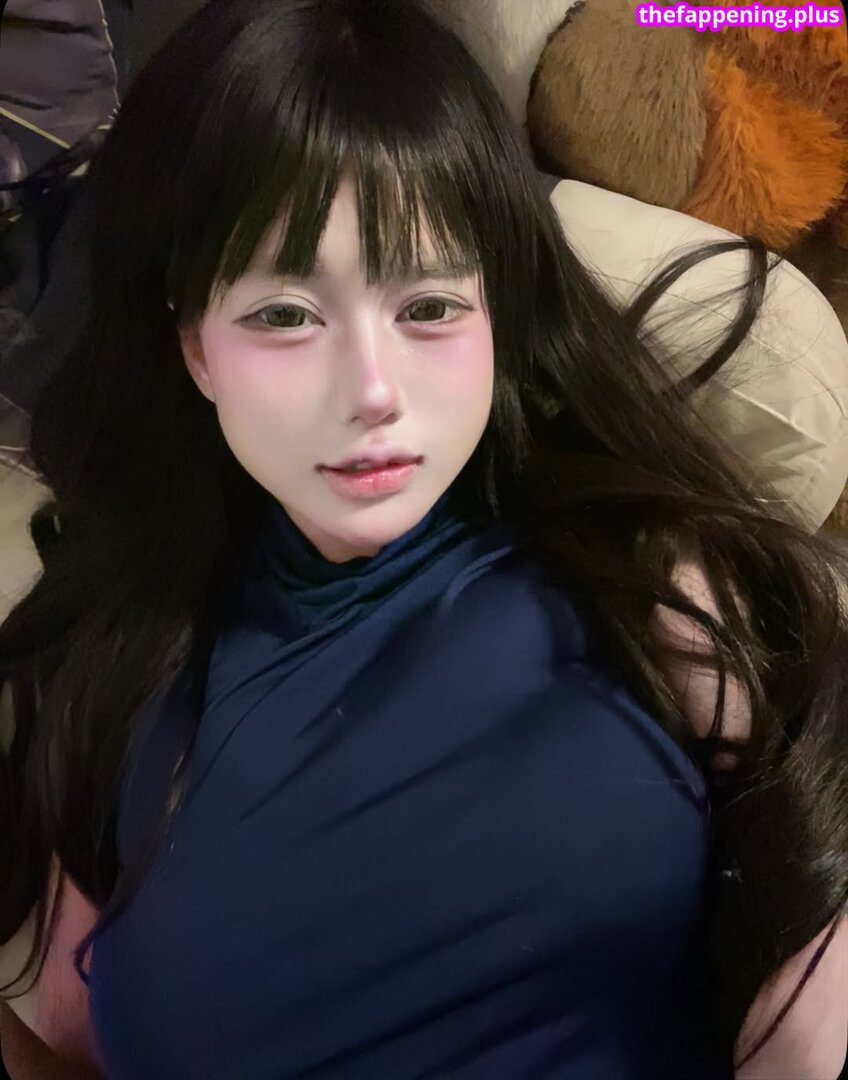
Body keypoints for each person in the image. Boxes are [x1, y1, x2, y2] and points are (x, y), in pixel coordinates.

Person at [1, 0, 847, 1076]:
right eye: (284, 315)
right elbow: (70, 1048)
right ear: (194, 345)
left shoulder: (653, 590)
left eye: (430, 307)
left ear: (498, 313)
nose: (373, 391)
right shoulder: (111, 683)